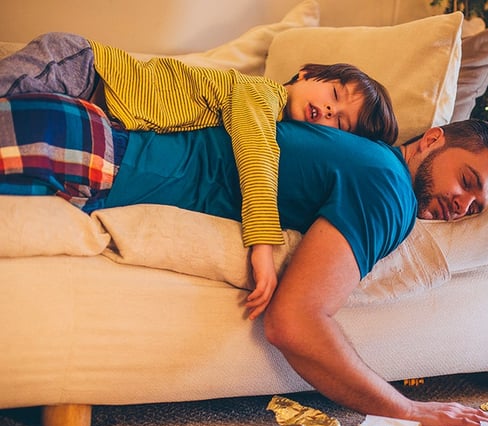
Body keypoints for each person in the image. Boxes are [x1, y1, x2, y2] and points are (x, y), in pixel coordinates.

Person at [0, 92, 488, 426]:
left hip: (82, 139)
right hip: (91, 153)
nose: (462, 204)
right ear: (432, 140)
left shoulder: (363, 161)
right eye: (467, 180)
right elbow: (295, 322)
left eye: (474, 207)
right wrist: (407, 408)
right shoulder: (389, 190)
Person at [0, 32, 398, 313]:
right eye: (334, 95)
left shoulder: (275, 116)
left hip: (98, 101)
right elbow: (256, 155)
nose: (329, 112)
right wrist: (263, 243)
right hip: (86, 67)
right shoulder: (259, 95)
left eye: (341, 123)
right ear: (307, 73)